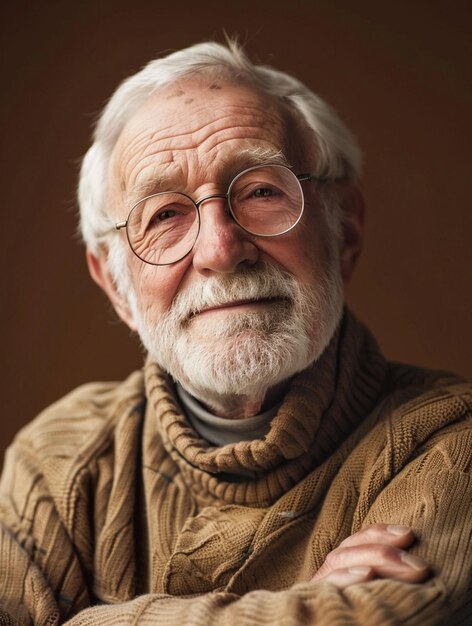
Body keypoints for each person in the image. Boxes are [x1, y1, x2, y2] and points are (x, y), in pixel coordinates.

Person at [0, 40, 470, 626]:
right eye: (165, 214)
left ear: (344, 230)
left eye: (261, 192)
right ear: (117, 286)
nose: (221, 251)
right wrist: (296, 609)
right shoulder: (56, 462)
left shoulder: (450, 441)